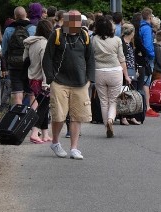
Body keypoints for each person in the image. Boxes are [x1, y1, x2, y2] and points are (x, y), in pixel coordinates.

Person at [42, 10, 94, 160]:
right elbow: (48, 58)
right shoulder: (57, 35)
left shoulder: (84, 36)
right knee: (59, 115)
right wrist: (51, 78)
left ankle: (74, 148)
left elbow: (90, 59)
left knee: (77, 115)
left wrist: (89, 79)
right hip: (60, 82)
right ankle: (56, 142)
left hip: (80, 82)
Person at [91, 16, 130, 138]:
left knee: (103, 101)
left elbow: (91, 57)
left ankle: (105, 125)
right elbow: (122, 59)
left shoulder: (94, 39)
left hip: (99, 72)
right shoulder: (117, 40)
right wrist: (126, 76)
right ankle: (110, 120)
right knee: (113, 100)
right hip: (115, 71)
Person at [24, 19, 53, 144]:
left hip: (32, 77)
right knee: (43, 107)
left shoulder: (31, 43)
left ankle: (45, 133)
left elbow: (25, 59)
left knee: (44, 105)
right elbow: (45, 65)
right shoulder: (44, 44)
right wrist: (47, 83)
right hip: (42, 80)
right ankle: (35, 132)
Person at [2, 7, 36, 106]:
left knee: (17, 94)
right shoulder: (33, 29)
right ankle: (33, 119)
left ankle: (18, 118)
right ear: (26, 14)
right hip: (30, 65)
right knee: (32, 94)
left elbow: (4, 50)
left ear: (15, 16)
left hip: (14, 65)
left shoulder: (9, 30)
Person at [136, 8, 158, 118]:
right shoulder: (146, 29)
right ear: (149, 17)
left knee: (143, 81)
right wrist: (152, 55)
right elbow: (148, 44)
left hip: (141, 57)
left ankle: (145, 106)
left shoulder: (140, 26)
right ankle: (147, 107)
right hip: (147, 58)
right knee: (146, 82)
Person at [119, 23, 142, 126]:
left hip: (132, 69)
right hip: (125, 69)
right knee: (124, 92)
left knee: (133, 91)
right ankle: (123, 116)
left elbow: (132, 57)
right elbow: (122, 59)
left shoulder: (130, 43)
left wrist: (135, 69)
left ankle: (132, 115)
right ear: (131, 33)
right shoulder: (122, 43)